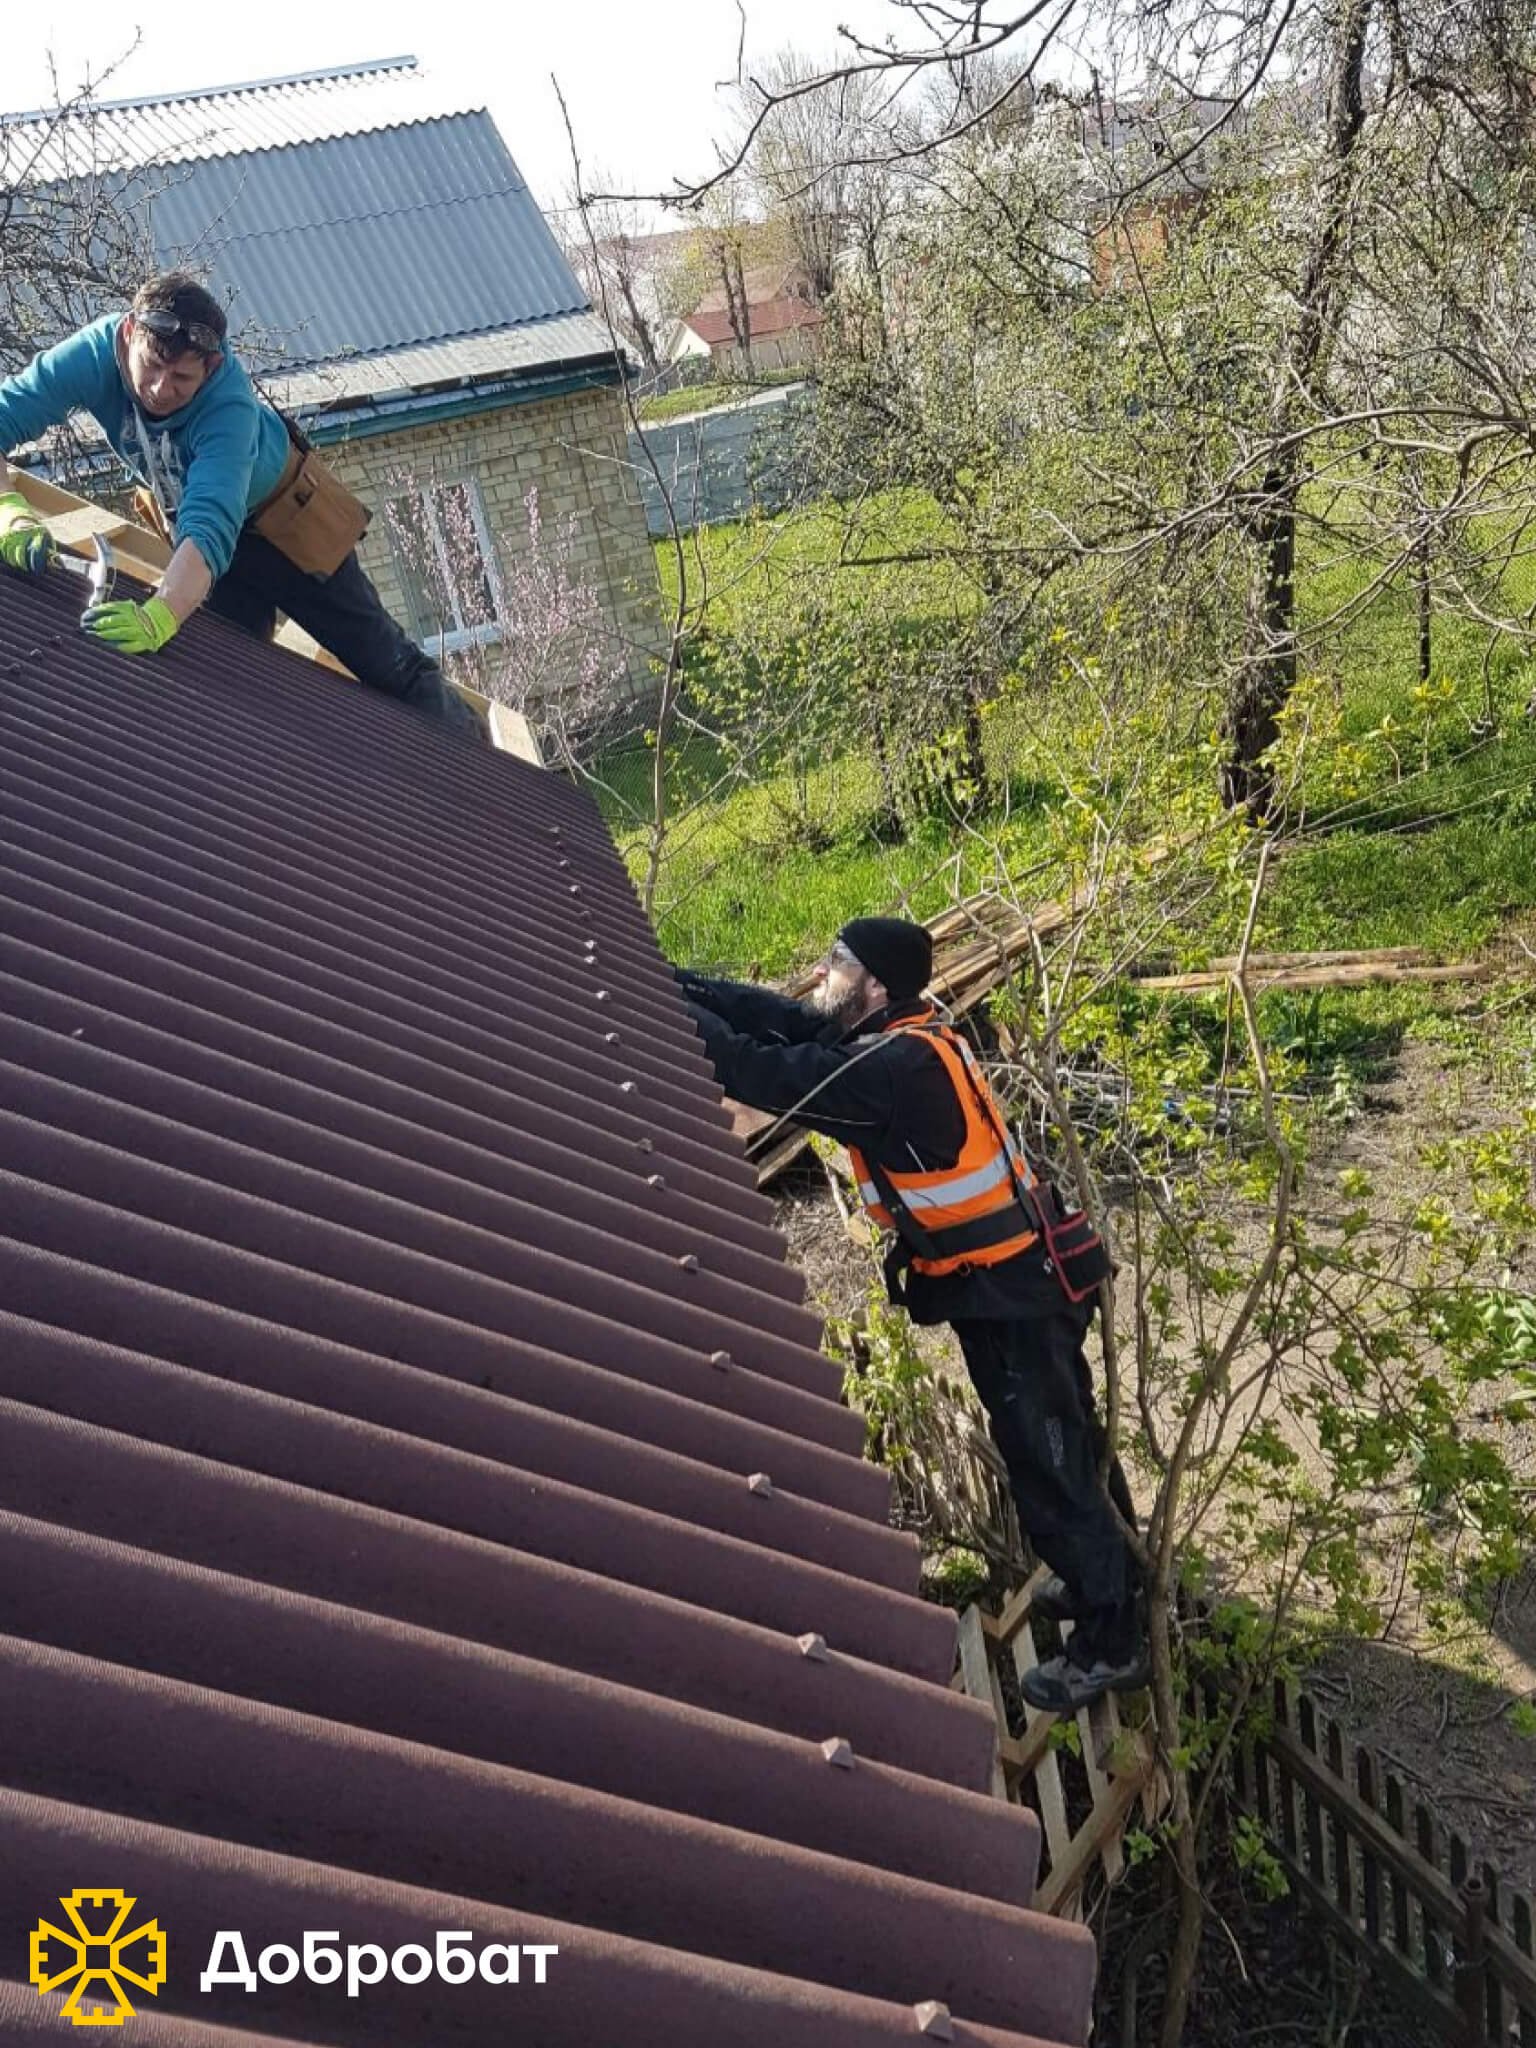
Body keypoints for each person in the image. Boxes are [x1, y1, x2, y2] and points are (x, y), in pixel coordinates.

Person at [679, 916, 1146, 1710]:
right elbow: (788, 1022)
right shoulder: (908, 1036)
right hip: (1027, 1280)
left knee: (1049, 1461)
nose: (821, 975)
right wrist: (685, 987)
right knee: (1073, 1441)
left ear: (875, 985)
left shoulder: (893, 1074)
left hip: (1011, 1298)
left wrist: (679, 1019)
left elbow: (765, 1071)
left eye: (837, 963)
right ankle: (1111, 1578)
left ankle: (1112, 1640)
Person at [0, 270, 482, 740]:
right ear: (129, 334)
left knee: (385, 664)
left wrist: (161, 612)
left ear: (208, 368)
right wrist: (9, 509)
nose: (160, 389)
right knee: (227, 674)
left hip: (285, 524)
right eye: (152, 365)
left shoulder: (226, 403)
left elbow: (212, 520)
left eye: (182, 377)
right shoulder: (93, 354)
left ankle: (474, 756)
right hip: (199, 539)